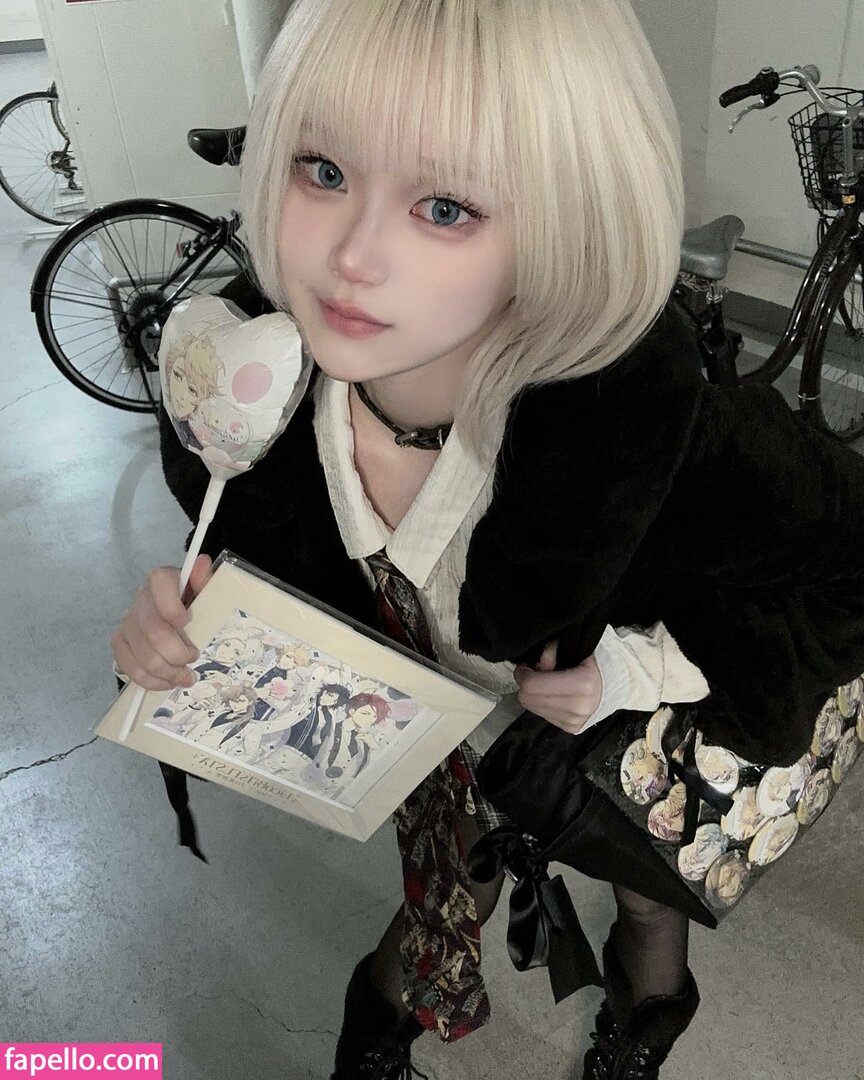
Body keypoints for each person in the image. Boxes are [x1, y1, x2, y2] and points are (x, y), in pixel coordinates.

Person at [109, 0, 864, 1076]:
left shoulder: (654, 437)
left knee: (646, 894)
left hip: (607, 751)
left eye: (445, 206)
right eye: (323, 170)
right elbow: (291, 603)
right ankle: (377, 1040)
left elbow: (843, 573)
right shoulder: (260, 409)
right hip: (445, 752)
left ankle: (646, 1018)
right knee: (442, 894)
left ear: (566, 220)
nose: (352, 255)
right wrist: (188, 630)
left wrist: (629, 671)